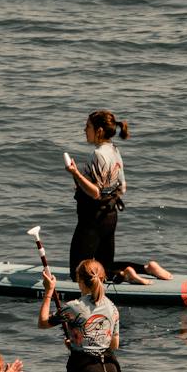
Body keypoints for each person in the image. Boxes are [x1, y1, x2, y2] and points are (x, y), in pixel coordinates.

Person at [63, 108, 174, 286]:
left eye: (88, 126)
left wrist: (75, 172)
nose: (84, 130)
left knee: (77, 273)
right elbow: (122, 188)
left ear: (98, 131)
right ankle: (146, 268)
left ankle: (127, 274)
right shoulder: (114, 150)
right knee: (103, 266)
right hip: (110, 216)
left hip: (92, 219)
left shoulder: (97, 154)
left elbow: (95, 192)